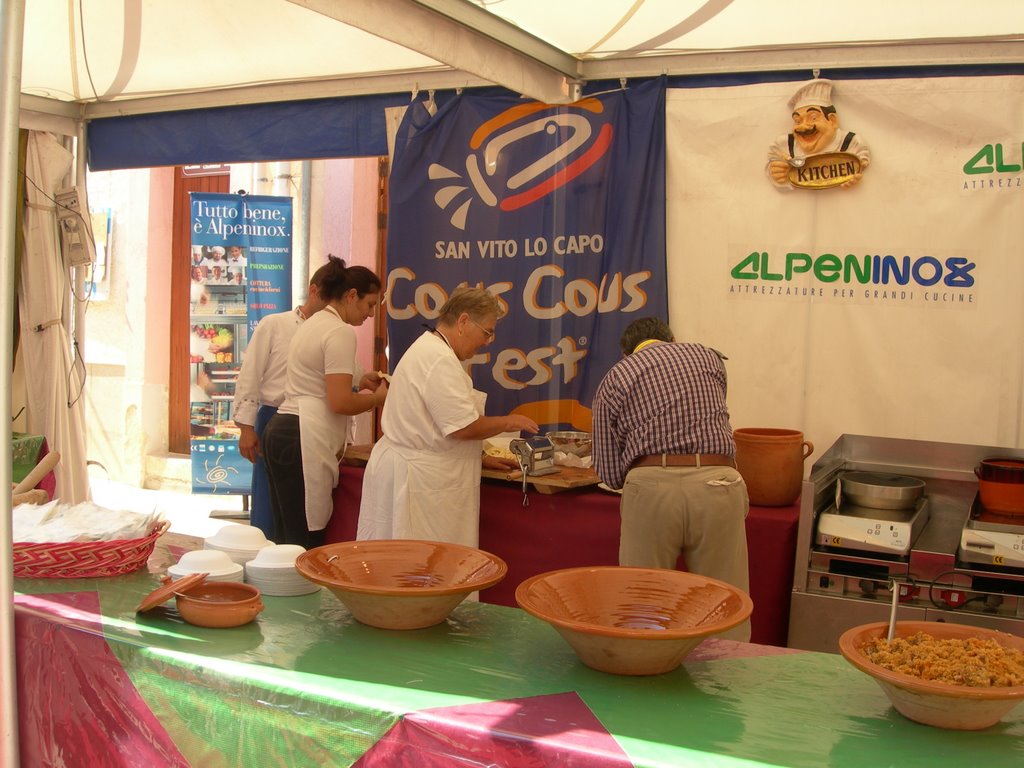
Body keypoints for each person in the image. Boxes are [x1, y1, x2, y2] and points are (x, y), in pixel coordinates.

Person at [591, 316, 751, 641]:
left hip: (651, 487)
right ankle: (728, 678)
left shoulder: (615, 377)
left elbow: (609, 473)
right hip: (718, 481)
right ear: (672, 339)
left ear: (627, 353)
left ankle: (644, 675)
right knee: (724, 601)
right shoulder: (708, 356)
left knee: (643, 601)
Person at [357, 287, 539, 549]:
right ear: (463, 321)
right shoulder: (437, 359)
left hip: (420, 472)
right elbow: (462, 427)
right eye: (487, 332)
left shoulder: (433, 350)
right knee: (421, 569)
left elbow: (434, 423)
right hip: (421, 481)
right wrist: (510, 422)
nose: (488, 341)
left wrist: (481, 456)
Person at [260, 258, 386, 548]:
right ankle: (298, 590)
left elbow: (316, 376)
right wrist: (375, 400)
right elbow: (339, 401)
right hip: (301, 437)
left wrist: (358, 381)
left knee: (284, 537)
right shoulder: (340, 331)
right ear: (351, 295)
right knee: (303, 540)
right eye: (369, 305)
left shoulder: (314, 322)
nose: (369, 315)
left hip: (283, 431)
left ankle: (282, 589)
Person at [231, 262, 333, 538]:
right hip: (274, 419)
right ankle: (266, 567)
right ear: (314, 291)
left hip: (312, 422)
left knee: (306, 505)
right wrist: (247, 428)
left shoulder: (331, 332)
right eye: (328, 300)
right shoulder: (275, 324)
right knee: (269, 502)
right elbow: (250, 375)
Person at [766, 78, 870, 188]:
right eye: (797, 120)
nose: (803, 127)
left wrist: (855, 174)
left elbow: (860, 165)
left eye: (813, 118)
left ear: (832, 121)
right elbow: (773, 164)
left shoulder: (851, 144)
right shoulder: (785, 145)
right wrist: (776, 172)